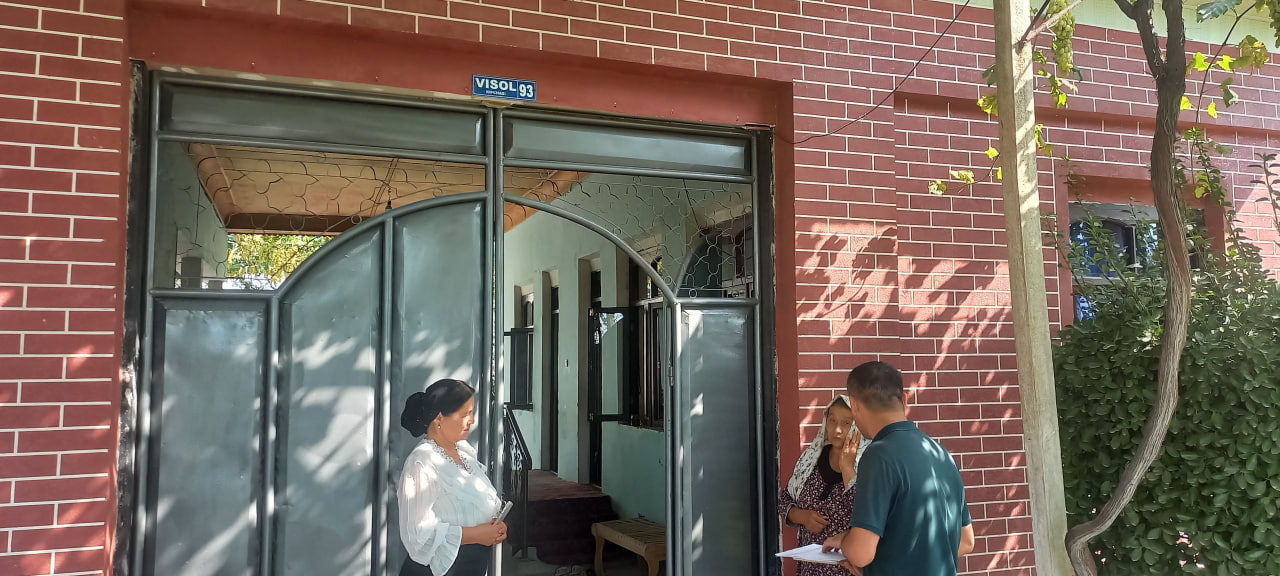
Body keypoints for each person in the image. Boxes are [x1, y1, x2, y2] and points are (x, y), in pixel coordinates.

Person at [823, 362, 975, 576]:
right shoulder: (941, 453)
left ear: (854, 405)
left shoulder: (878, 455)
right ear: (904, 399)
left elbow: (860, 553)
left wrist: (846, 541)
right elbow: (966, 541)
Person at [398, 378, 507, 576]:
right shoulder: (422, 462)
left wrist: (496, 527)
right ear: (439, 418)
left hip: (470, 567)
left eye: (472, 413)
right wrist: (476, 535)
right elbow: (417, 533)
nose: (472, 420)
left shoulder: (465, 452)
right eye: (465, 414)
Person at [778, 395, 867, 576]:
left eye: (846, 423)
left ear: (857, 426)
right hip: (810, 569)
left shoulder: (869, 464)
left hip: (849, 570)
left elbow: (869, 515)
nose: (837, 429)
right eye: (832, 421)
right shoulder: (811, 459)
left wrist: (848, 468)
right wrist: (801, 516)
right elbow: (784, 498)